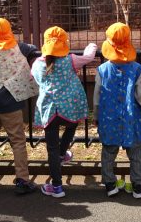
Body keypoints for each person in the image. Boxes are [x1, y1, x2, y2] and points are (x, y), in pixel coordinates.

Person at [31, 26, 97, 198]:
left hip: (48, 109)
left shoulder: (37, 64)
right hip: (70, 107)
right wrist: (92, 45)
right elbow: (89, 57)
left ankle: (57, 186)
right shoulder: (71, 60)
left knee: (51, 149)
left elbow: (35, 78)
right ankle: (62, 153)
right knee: (71, 126)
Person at [0, 17, 39, 197]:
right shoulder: (20, 48)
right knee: (17, 141)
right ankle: (22, 180)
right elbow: (33, 49)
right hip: (12, 101)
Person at [93, 23, 141, 199]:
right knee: (137, 152)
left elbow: (97, 96)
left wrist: (96, 115)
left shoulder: (102, 70)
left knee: (108, 151)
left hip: (108, 117)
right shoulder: (137, 69)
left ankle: (110, 184)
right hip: (132, 118)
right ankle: (138, 186)